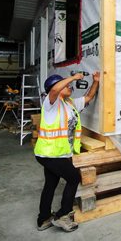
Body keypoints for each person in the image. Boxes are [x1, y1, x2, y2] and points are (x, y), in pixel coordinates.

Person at [34, 71, 100, 232]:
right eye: (66, 84)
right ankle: (63, 215)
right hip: (51, 154)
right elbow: (55, 90)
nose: (69, 86)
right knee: (73, 178)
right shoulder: (51, 103)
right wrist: (73, 77)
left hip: (58, 153)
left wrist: (95, 82)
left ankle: (43, 219)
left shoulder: (69, 103)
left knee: (51, 184)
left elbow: (88, 98)